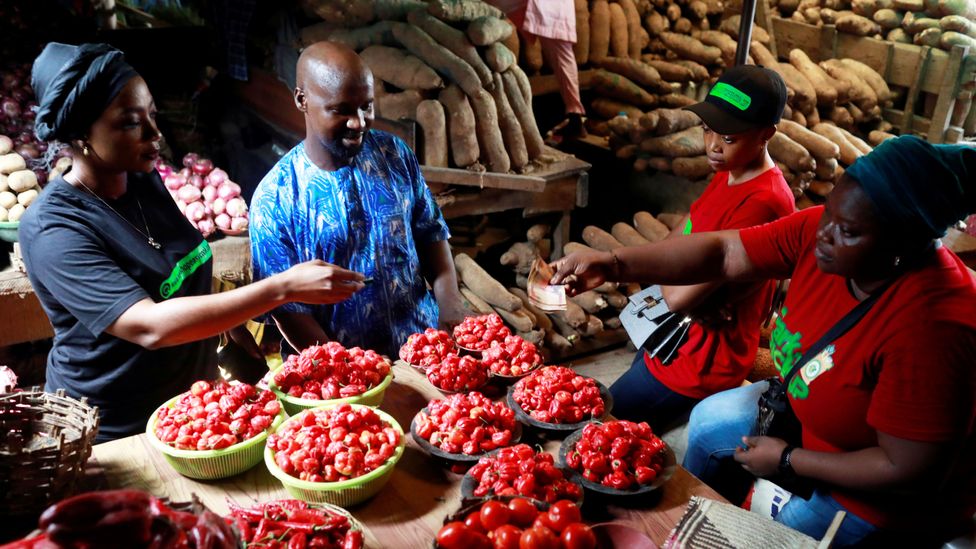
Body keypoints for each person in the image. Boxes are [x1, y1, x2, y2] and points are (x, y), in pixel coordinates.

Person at [550, 136, 976, 544]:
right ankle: (704, 517)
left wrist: (791, 460)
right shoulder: (820, 233)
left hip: (874, 499)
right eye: (829, 213)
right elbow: (724, 253)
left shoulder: (935, 326)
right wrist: (612, 263)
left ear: (903, 245)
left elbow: (905, 469)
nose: (824, 233)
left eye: (848, 231)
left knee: (778, 536)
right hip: (809, 417)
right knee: (711, 423)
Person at [21, 42, 364, 442]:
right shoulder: (53, 227)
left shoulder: (141, 178)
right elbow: (149, 325)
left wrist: (231, 325)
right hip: (116, 432)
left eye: (152, 114)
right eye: (131, 122)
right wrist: (281, 288)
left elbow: (181, 267)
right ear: (81, 134)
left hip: (193, 413)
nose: (155, 133)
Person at [249, 42, 469, 359]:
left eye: (366, 106)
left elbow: (431, 234)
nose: (359, 122)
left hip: (424, 356)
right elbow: (288, 311)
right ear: (302, 100)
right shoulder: (276, 198)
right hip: (338, 383)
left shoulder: (394, 155)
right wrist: (351, 371)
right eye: (340, 110)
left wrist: (451, 311)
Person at [609, 65, 795, 432]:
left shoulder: (764, 202)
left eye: (728, 137)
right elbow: (681, 236)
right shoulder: (729, 171)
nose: (712, 145)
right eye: (708, 130)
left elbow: (678, 295)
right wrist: (670, 276)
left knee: (606, 428)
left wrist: (655, 275)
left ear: (765, 135)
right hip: (674, 337)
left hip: (700, 362)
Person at [484, 0, 586, 137]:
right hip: (550, 8)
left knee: (563, 57)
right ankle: (575, 117)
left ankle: (575, 118)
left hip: (551, 8)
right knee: (564, 58)